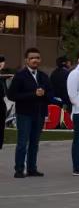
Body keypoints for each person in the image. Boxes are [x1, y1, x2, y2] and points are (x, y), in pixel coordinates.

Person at [9, 47, 50, 178]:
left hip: (39, 113)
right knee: (22, 142)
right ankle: (19, 169)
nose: (35, 60)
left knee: (35, 143)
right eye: (32, 58)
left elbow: (50, 92)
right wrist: (33, 94)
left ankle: (32, 168)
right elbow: (12, 95)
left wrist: (45, 94)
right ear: (26, 60)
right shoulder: (20, 76)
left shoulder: (43, 76)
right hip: (25, 113)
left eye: (37, 58)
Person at [48, 56, 71, 125]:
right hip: (64, 100)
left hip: (54, 99)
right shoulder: (67, 73)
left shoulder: (54, 73)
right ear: (66, 63)